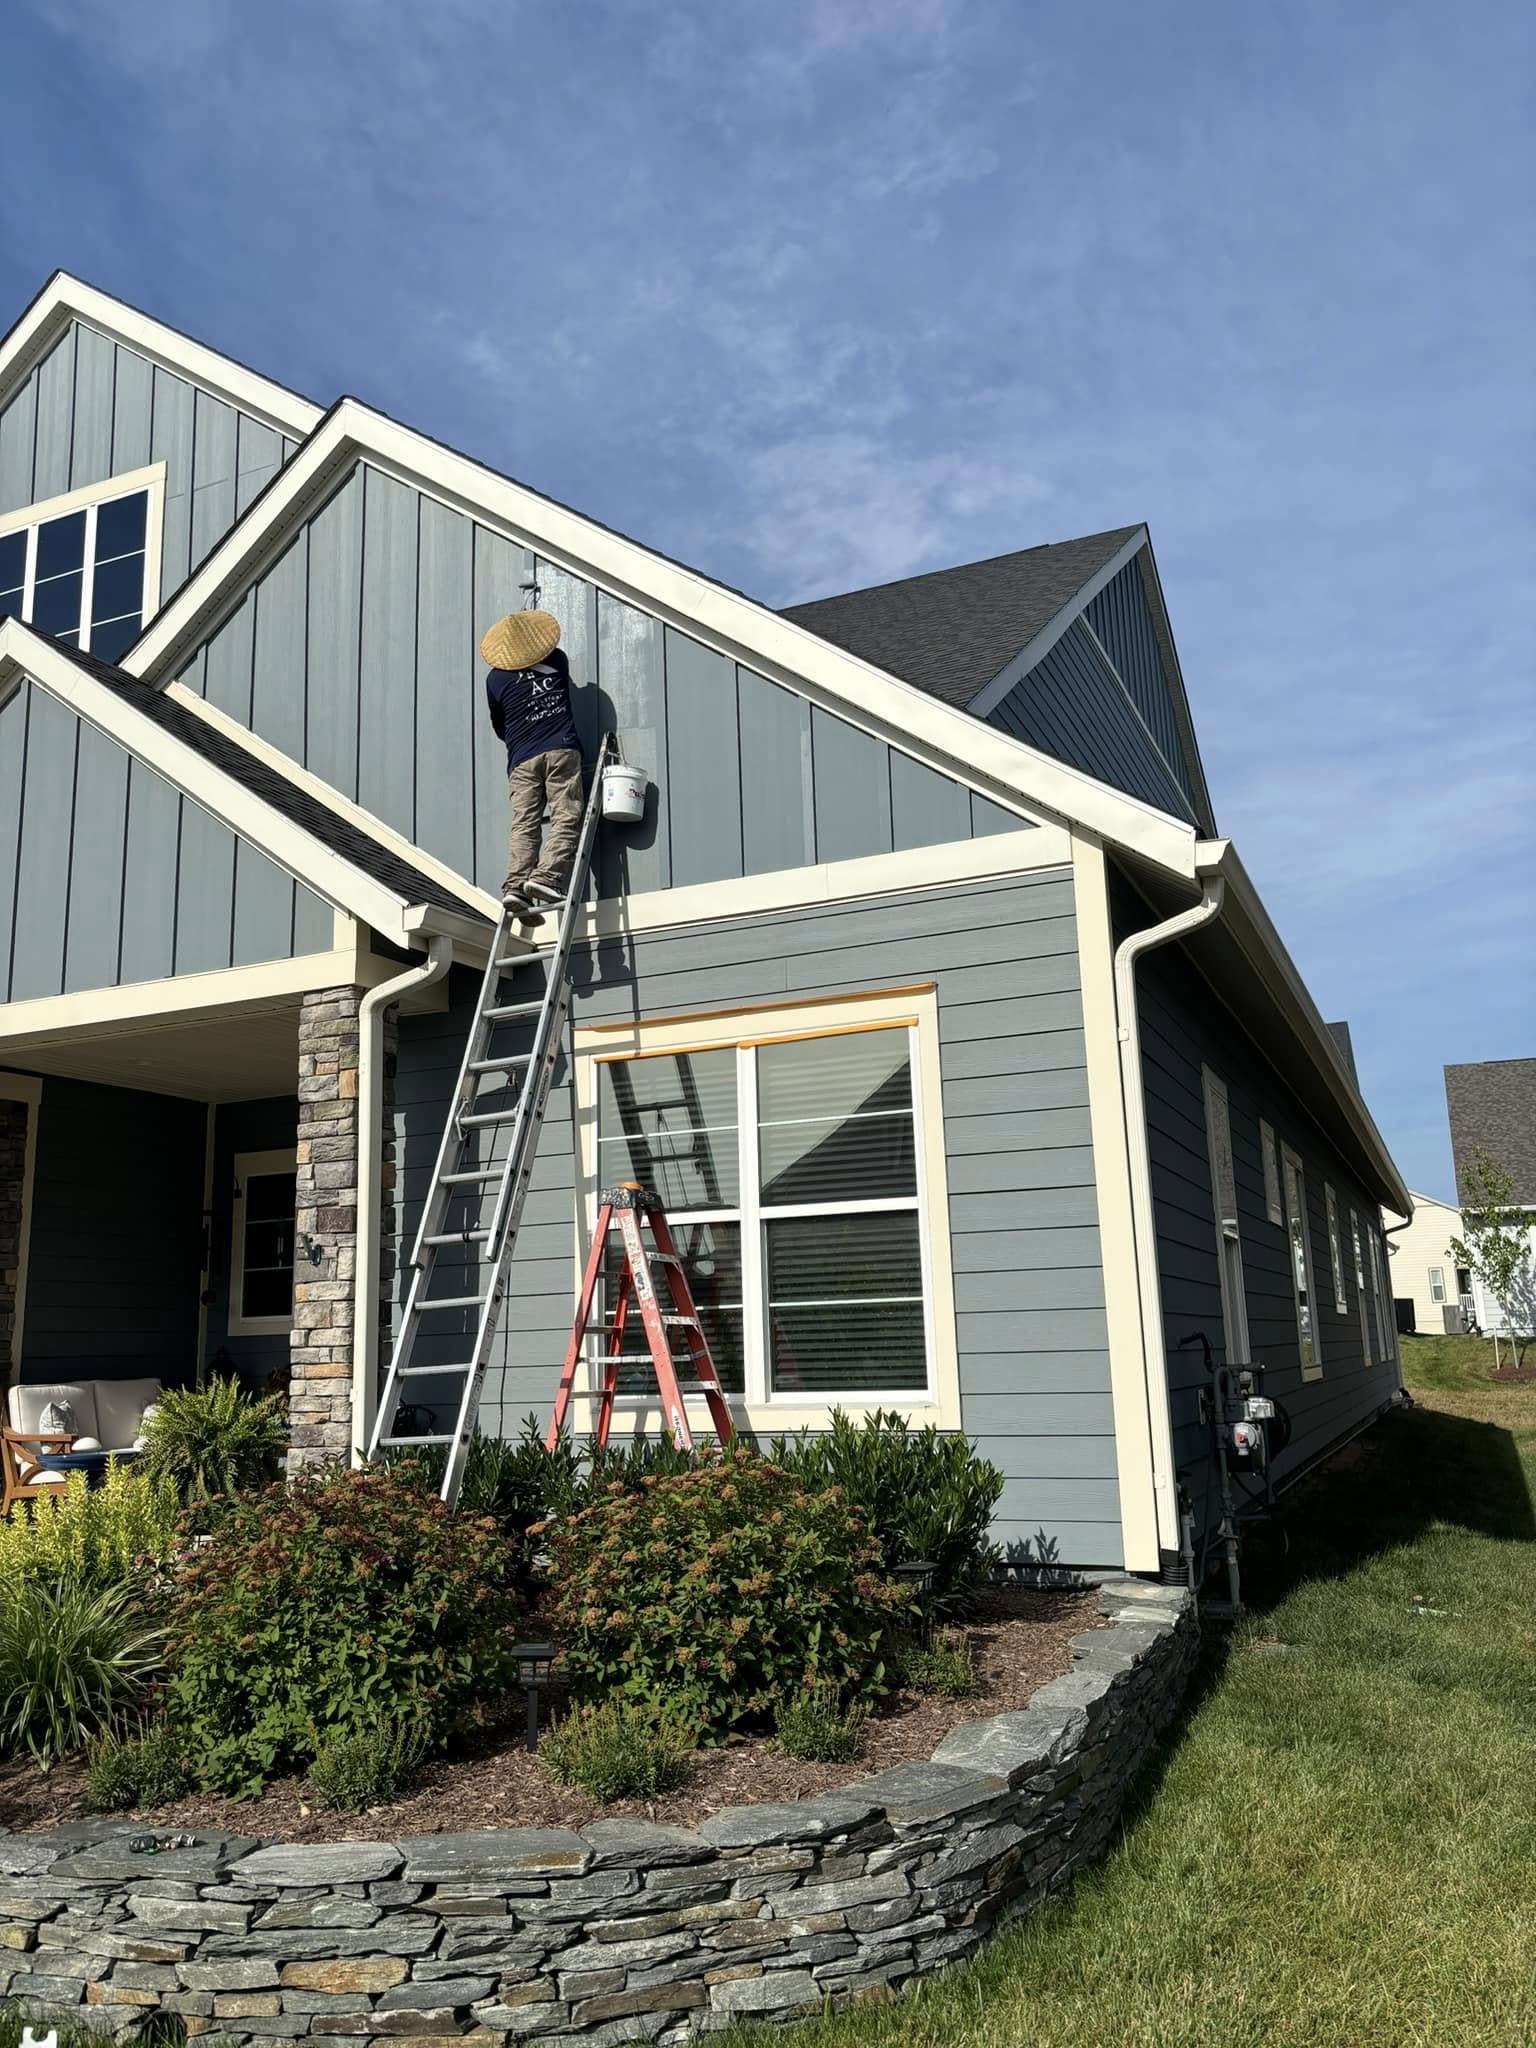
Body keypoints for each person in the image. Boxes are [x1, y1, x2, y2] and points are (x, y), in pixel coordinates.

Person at [480, 609, 584, 926]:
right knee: (566, 813)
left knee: (524, 823)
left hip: (521, 760)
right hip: (560, 748)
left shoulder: (495, 679)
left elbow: (500, 726)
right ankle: (547, 877)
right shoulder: (557, 660)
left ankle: (516, 887)